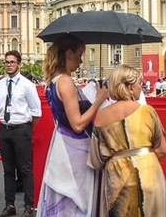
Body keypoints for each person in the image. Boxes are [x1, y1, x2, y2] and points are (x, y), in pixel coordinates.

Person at [37, 34, 108, 217]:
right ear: (68, 53)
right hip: (74, 150)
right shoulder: (66, 82)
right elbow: (77, 124)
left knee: (66, 201)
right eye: (79, 54)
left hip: (63, 145)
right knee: (76, 201)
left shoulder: (54, 80)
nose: (81, 60)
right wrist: (98, 101)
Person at [89, 65, 166, 216]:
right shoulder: (147, 111)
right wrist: (143, 159)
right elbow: (162, 149)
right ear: (130, 87)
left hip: (116, 180)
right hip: (149, 175)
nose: (141, 88)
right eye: (139, 83)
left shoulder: (100, 116)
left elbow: (96, 160)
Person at [0, 50, 42, 217]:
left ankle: (29, 207)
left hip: (22, 129)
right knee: (8, 170)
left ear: (19, 64)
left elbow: (36, 112)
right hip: (4, 129)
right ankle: (10, 205)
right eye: (6, 62)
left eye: (12, 62)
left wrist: (26, 129)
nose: (9, 65)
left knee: (25, 170)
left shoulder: (27, 85)